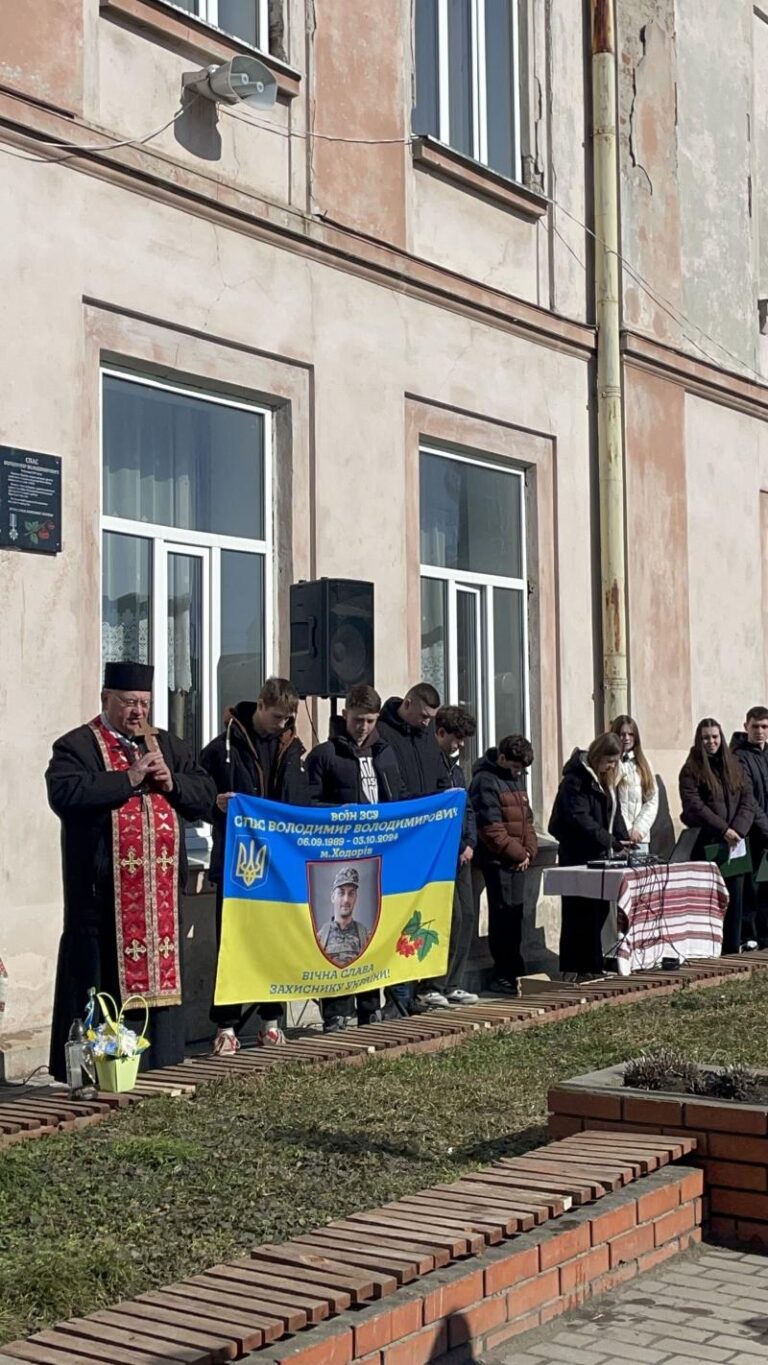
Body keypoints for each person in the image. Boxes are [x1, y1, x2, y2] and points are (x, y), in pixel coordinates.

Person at [46, 661, 217, 1082]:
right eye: (128, 703)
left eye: (144, 703)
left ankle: (162, 1069)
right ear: (107, 699)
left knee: (160, 1012)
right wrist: (127, 778)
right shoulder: (77, 746)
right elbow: (65, 792)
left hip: (159, 909)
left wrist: (172, 781)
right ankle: (94, 1076)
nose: (137, 712)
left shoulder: (168, 747)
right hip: (100, 906)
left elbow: (206, 796)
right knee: (99, 990)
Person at [200, 677, 307, 1054]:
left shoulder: (293, 748)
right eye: (278, 716)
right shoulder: (221, 749)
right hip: (237, 864)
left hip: (281, 864)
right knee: (234, 943)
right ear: (260, 705)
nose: (283, 724)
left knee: (275, 944)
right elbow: (196, 796)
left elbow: (301, 803)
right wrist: (217, 804)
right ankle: (226, 1026)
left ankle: (271, 1021)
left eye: (288, 718)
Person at [306, 683, 402, 1029]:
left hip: (378, 857)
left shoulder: (386, 752)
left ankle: (370, 1003)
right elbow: (308, 804)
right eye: (358, 719)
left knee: (371, 932)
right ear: (345, 714)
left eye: (370, 721)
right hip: (341, 857)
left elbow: (398, 799)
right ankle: (335, 1009)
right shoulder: (324, 755)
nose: (363, 727)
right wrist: (339, 812)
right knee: (337, 937)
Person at [377, 682, 449, 1015]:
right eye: (423, 716)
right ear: (407, 703)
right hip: (397, 842)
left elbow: (440, 782)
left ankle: (420, 990)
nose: (427, 723)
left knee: (423, 921)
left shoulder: (428, 738)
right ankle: (398, 998)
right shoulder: (383, 735)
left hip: (429, 843)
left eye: (431, 718)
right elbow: (392, 789)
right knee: (398, 921)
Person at [548, 732, 630, 980]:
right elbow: (580, 818)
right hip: (577, 855)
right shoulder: (576, 781)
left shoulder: (604, 780)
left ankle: (593, 966)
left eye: (615, 762)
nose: (611, 767)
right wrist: (609, 840)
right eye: (609, 761)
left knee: (598, 912)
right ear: (597, 756)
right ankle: (579, 968)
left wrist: (622, 839)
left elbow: (612, 812)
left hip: (598, 855)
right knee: (579, 913)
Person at [417, 705, 479, 1007]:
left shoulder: (456, 769)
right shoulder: (431, 766)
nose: (461, 745)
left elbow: (466, 809)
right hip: (441, 856)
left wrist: (470, 842)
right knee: (447, 917)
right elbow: (437, 813)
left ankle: (454, 981)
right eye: (456, 738)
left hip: (462, 855)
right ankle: (432, 983)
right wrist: (455, 846)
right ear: (440, 733)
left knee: (467, 916)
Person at [679, 718, 755, 955]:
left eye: (714, 737)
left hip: (736, 844)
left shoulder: (734, 765)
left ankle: (732, 949)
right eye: (705, 738)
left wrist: (739, 830)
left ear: (720, 738)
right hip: (709, 843)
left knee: (735, 898)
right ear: (698, 740)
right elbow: (694, 806)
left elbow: (748, 800)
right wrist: (723, 830)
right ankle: (710, 951)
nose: (711, 742)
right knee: (710, 900)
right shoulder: (691, 769)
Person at [470, 735, 538, 998]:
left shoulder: (514, 779)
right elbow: (491, 827)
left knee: (515, 915)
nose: (518, 773)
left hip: (518, 859)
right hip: (498, 860)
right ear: (501, 758)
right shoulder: (485, 781)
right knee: (502, 917)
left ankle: (514, 968)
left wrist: (529, 851)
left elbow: (527, 819)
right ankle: (503, 972)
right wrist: (517, 853)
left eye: (521, 769)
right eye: (514, 767)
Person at [730, 706, 768, 949]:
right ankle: (750, 937)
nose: (760, 731)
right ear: (746, 727)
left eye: (765, 727)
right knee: (751, 888)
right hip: (752, 833)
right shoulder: (739, 756)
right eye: (755, 726)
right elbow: (748, 798)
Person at [610, 714, 658, 853]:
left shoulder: (644, 764)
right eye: (622, 734)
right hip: (618, 838)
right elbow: (613, 800)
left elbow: (651, 800)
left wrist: (639, 829)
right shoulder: (611, 764)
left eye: (631, 734)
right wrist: (627, 829)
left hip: (639, 839)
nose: (626, 738)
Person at [315, 866, 372, 967]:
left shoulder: (367, 938)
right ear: (333, 897)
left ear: (356, 898)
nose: (346, 899)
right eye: (341, 893)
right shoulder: (320, 939)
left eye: (351, 893)